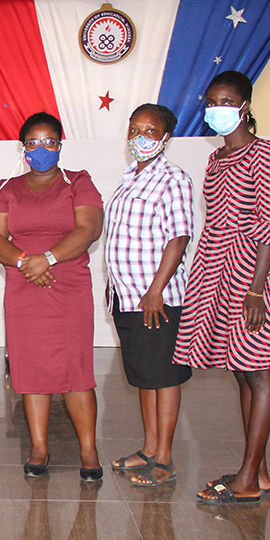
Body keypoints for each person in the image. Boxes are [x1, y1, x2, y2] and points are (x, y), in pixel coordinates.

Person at [174, 71, 270, 505]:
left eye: (226, 101)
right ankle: (258, 470)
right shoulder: (216, 160)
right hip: (216, 271)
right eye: (211, 101)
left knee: (259, 372)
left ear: (245, 106)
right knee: (241, 374)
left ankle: (247, 478)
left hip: (251, 275)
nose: (217, 109)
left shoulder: (263, 154)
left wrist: (256, 289)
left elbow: (267, 224)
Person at [0, 112, 104, 481]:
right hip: (23, 288)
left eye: (49, 141)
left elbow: (89, 228)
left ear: (60, 144)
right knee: (30, 369)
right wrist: (25, 262)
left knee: (77, 370)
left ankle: (88, 449)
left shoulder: (79, 183)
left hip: (67, 285)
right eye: (33, 142)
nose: (41, 148)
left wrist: (47, 258)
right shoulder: (9, 189)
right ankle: (38, 446)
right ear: (23, 148)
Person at [104, 104, 193, 487]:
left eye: (151, 131)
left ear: (165, 139)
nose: (141, 137)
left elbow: (179, 236)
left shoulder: (173, 178)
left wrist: (156, 289)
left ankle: (166, 457)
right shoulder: (128, 179)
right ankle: (148, 448)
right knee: (144, 376)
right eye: (136, 129)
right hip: (126, 298)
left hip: (158, 298)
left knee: (164, 376)